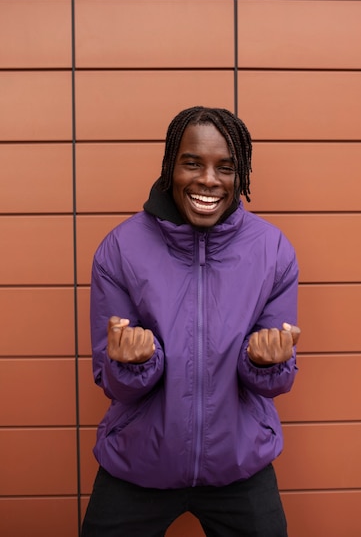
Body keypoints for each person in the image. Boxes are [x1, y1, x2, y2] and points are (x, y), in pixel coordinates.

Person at [82, 106, 301, 537]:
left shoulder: (273, 251)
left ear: (241, 176)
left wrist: (265, 363)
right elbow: (113, 384)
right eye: (192, 163)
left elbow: (275, 382)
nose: (208, 179)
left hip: (239, 466)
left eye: (225, 167)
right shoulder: (121, 249)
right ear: (170, 168)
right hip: (137, 463)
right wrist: (131, 362)